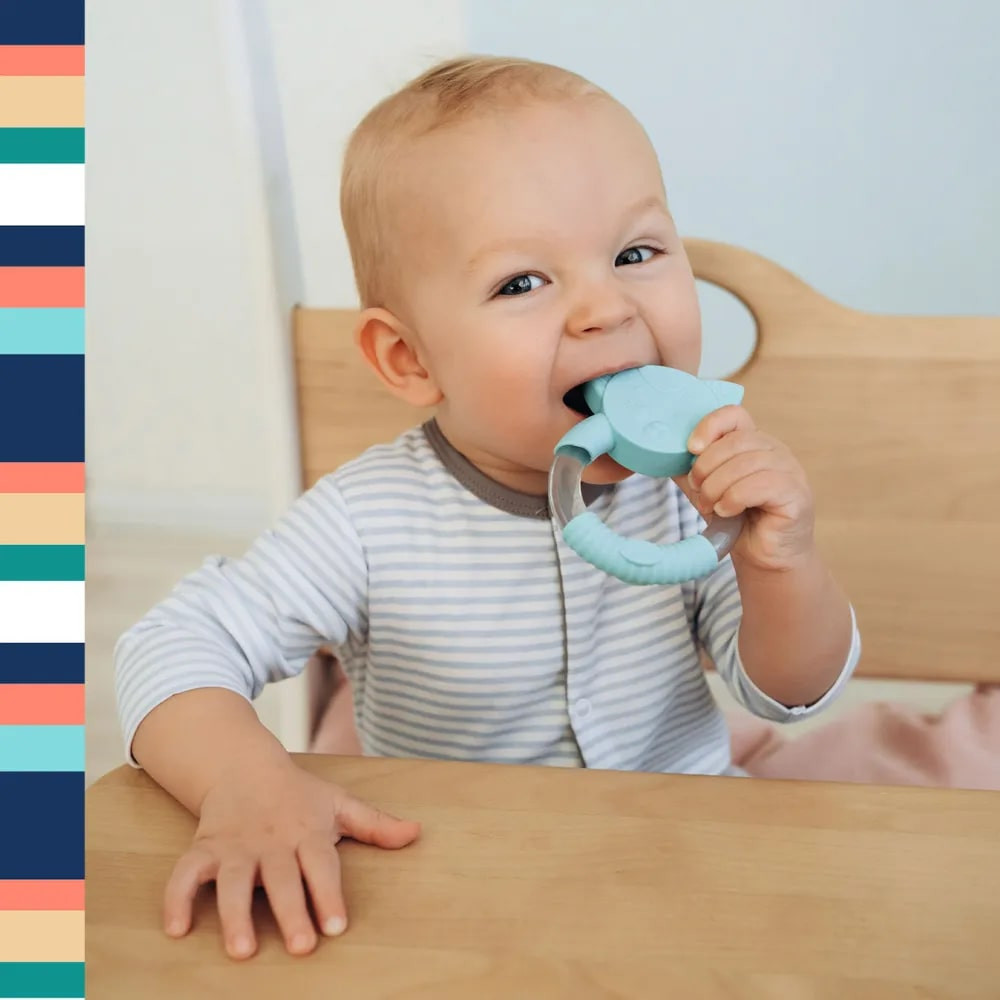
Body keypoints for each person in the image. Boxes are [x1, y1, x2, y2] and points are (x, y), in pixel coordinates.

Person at [114, 54, 860, 961]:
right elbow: (169, 645)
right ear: (410, 360)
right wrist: (246, 784)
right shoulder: (367, 520)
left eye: (635, 254)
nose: (605, 307)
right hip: (452, 878)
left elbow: (790, 692)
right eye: (522, 283)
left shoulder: (693, 492)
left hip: (683, 849)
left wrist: (782, 564)